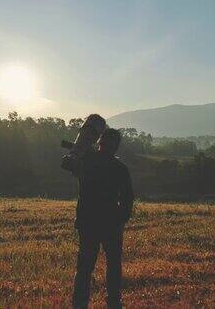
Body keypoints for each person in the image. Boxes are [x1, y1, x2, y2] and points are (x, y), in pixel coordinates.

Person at [72, 128, 134, 309]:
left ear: (100, 142)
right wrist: (120, 219)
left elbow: (68, 164)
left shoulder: (86, 161)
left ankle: (80, 304)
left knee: (85, 267)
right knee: (112, 265)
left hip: (90, 222)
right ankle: (113, 303)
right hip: (109, 223)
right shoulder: (119, 168)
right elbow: (128, 198)